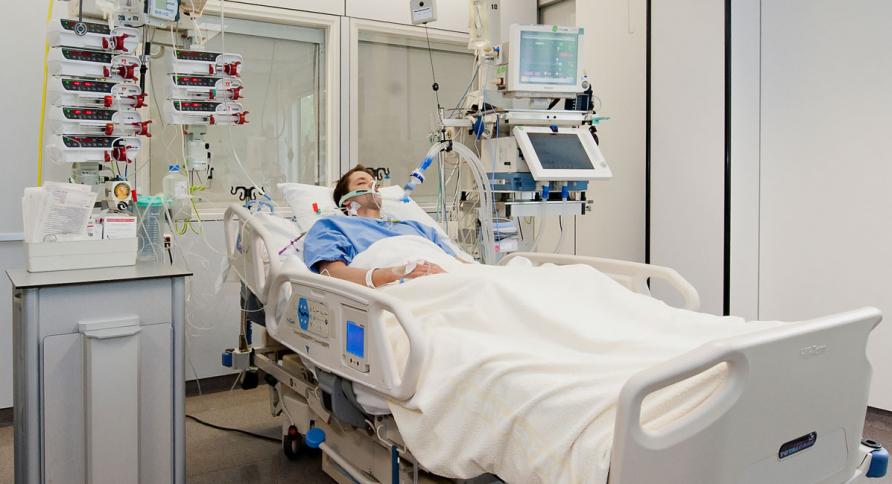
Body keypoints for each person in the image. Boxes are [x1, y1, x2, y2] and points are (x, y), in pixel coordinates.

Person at [302, 164, 455, 288]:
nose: (372, 186)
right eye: (362, 183)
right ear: (347, 201)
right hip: (403, 286)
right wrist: (395, 273)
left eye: (374, 184)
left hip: (450, 278)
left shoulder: (417, 227)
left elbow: (456, 263)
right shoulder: (332, 226)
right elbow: (332, 274)